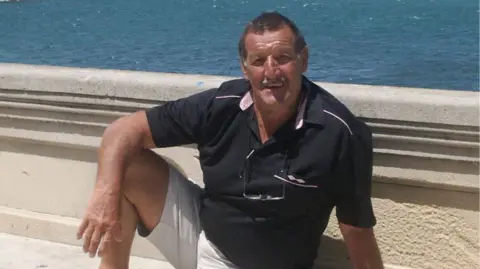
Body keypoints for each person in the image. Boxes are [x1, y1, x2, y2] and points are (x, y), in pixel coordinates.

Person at [76, 11, 384, 269]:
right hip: (204, 241)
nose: (271, 71)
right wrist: (105, 194)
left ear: (303, 60)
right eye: (259, 60)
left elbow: (356, 230)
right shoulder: (220, 105)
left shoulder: (340, 132)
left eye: (283, 58)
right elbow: (123, 129)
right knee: (125, 162)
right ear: (244, 67)